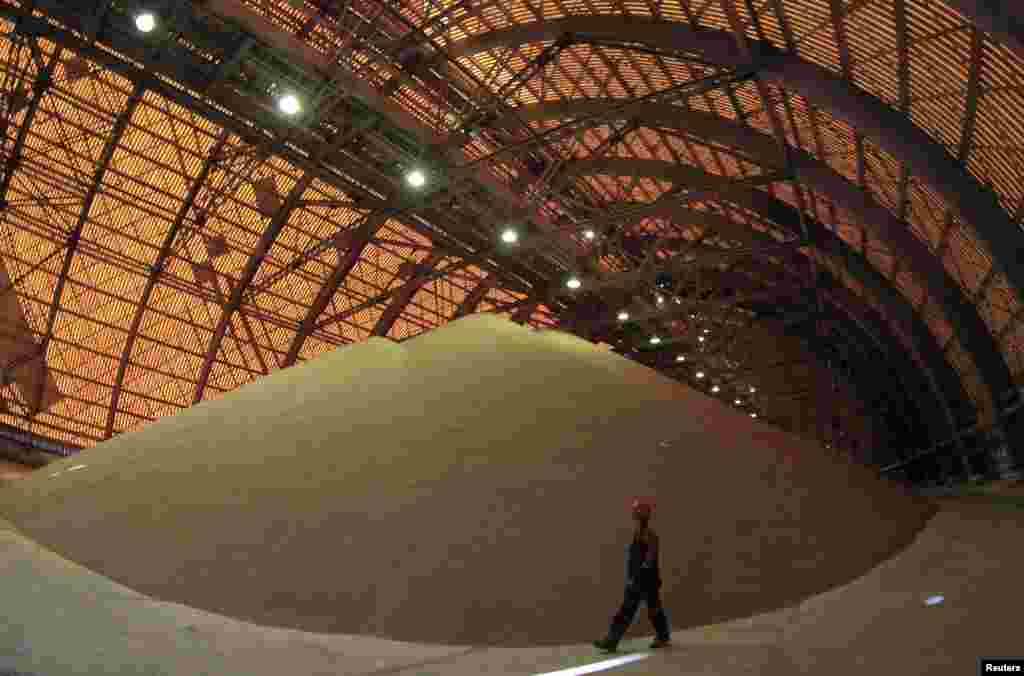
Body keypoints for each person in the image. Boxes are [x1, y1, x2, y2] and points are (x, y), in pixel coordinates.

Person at [593, 497, 672, 652]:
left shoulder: (649, 535)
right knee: (638, 609)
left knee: (644, 609)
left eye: (638, 512)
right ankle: (612, 640)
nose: (636, 515)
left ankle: (613, 640)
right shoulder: (639, 534)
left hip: (644, 581)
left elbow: (649, 560)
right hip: (640, 580)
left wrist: (637, 577)